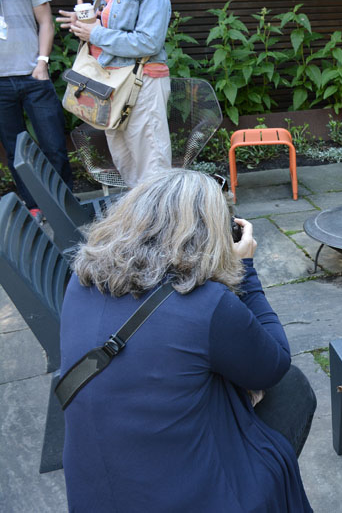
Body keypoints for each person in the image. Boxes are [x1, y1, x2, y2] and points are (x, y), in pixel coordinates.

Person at [60, 169, 316, 512]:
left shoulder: (80, 283)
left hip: (96, 495)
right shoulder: (207, 304)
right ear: (210, 235)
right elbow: (274, 364)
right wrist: (246, 272)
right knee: (293, 389)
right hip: (190, 500)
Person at [57, 0, 172, 187]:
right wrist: (86, 23)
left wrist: (95, 33)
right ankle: (139, 215)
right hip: (110, 86)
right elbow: (110, 25)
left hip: (141, 82)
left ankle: (160, 217)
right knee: (125, 162)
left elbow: (149, 42)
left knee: (152, 167)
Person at [0, 0, 72, 220]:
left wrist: (42, 63)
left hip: (34, 77)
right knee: (14, 150)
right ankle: (33, 206)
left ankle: (64, 203)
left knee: (54, 146)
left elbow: (45, 21)